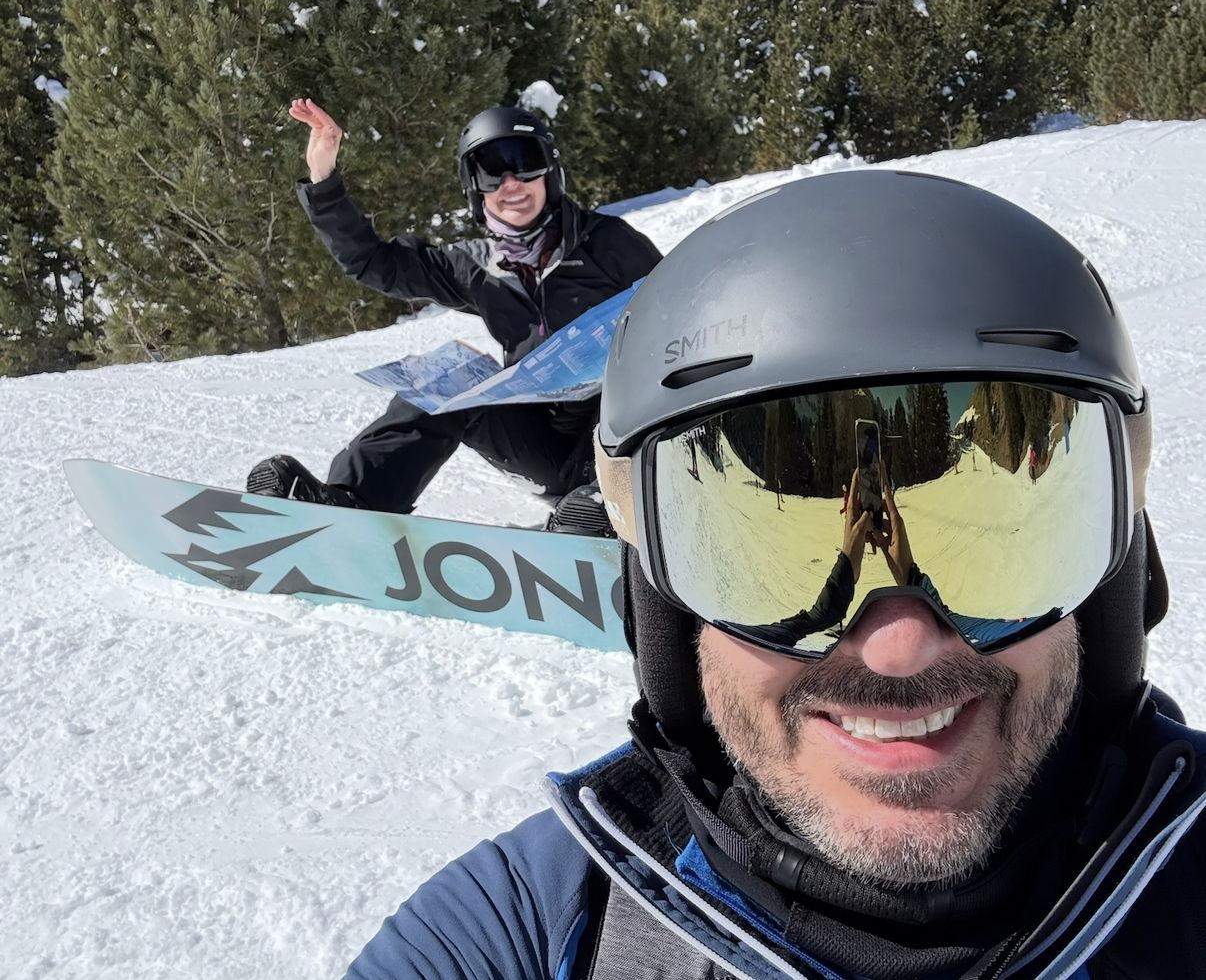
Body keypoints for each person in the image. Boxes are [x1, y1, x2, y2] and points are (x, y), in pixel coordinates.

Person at [342, 170, 1205, 979]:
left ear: (1117, 578)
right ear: (661, 610)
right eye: (760, 555)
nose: (898, 649)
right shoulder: (532, 926)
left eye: (1006, 539)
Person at [246, 99, 661, 514]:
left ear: (550, 174)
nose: (511, 185)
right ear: (475, 190)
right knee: (446, 380)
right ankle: (353, 504)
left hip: (629, 449)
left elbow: (677, 314)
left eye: (525, 164)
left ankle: (602, 510)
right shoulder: (478, 266)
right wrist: (323, 179)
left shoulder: (609, 244)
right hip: (546, 450)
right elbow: (374, 263)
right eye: (491, 172)